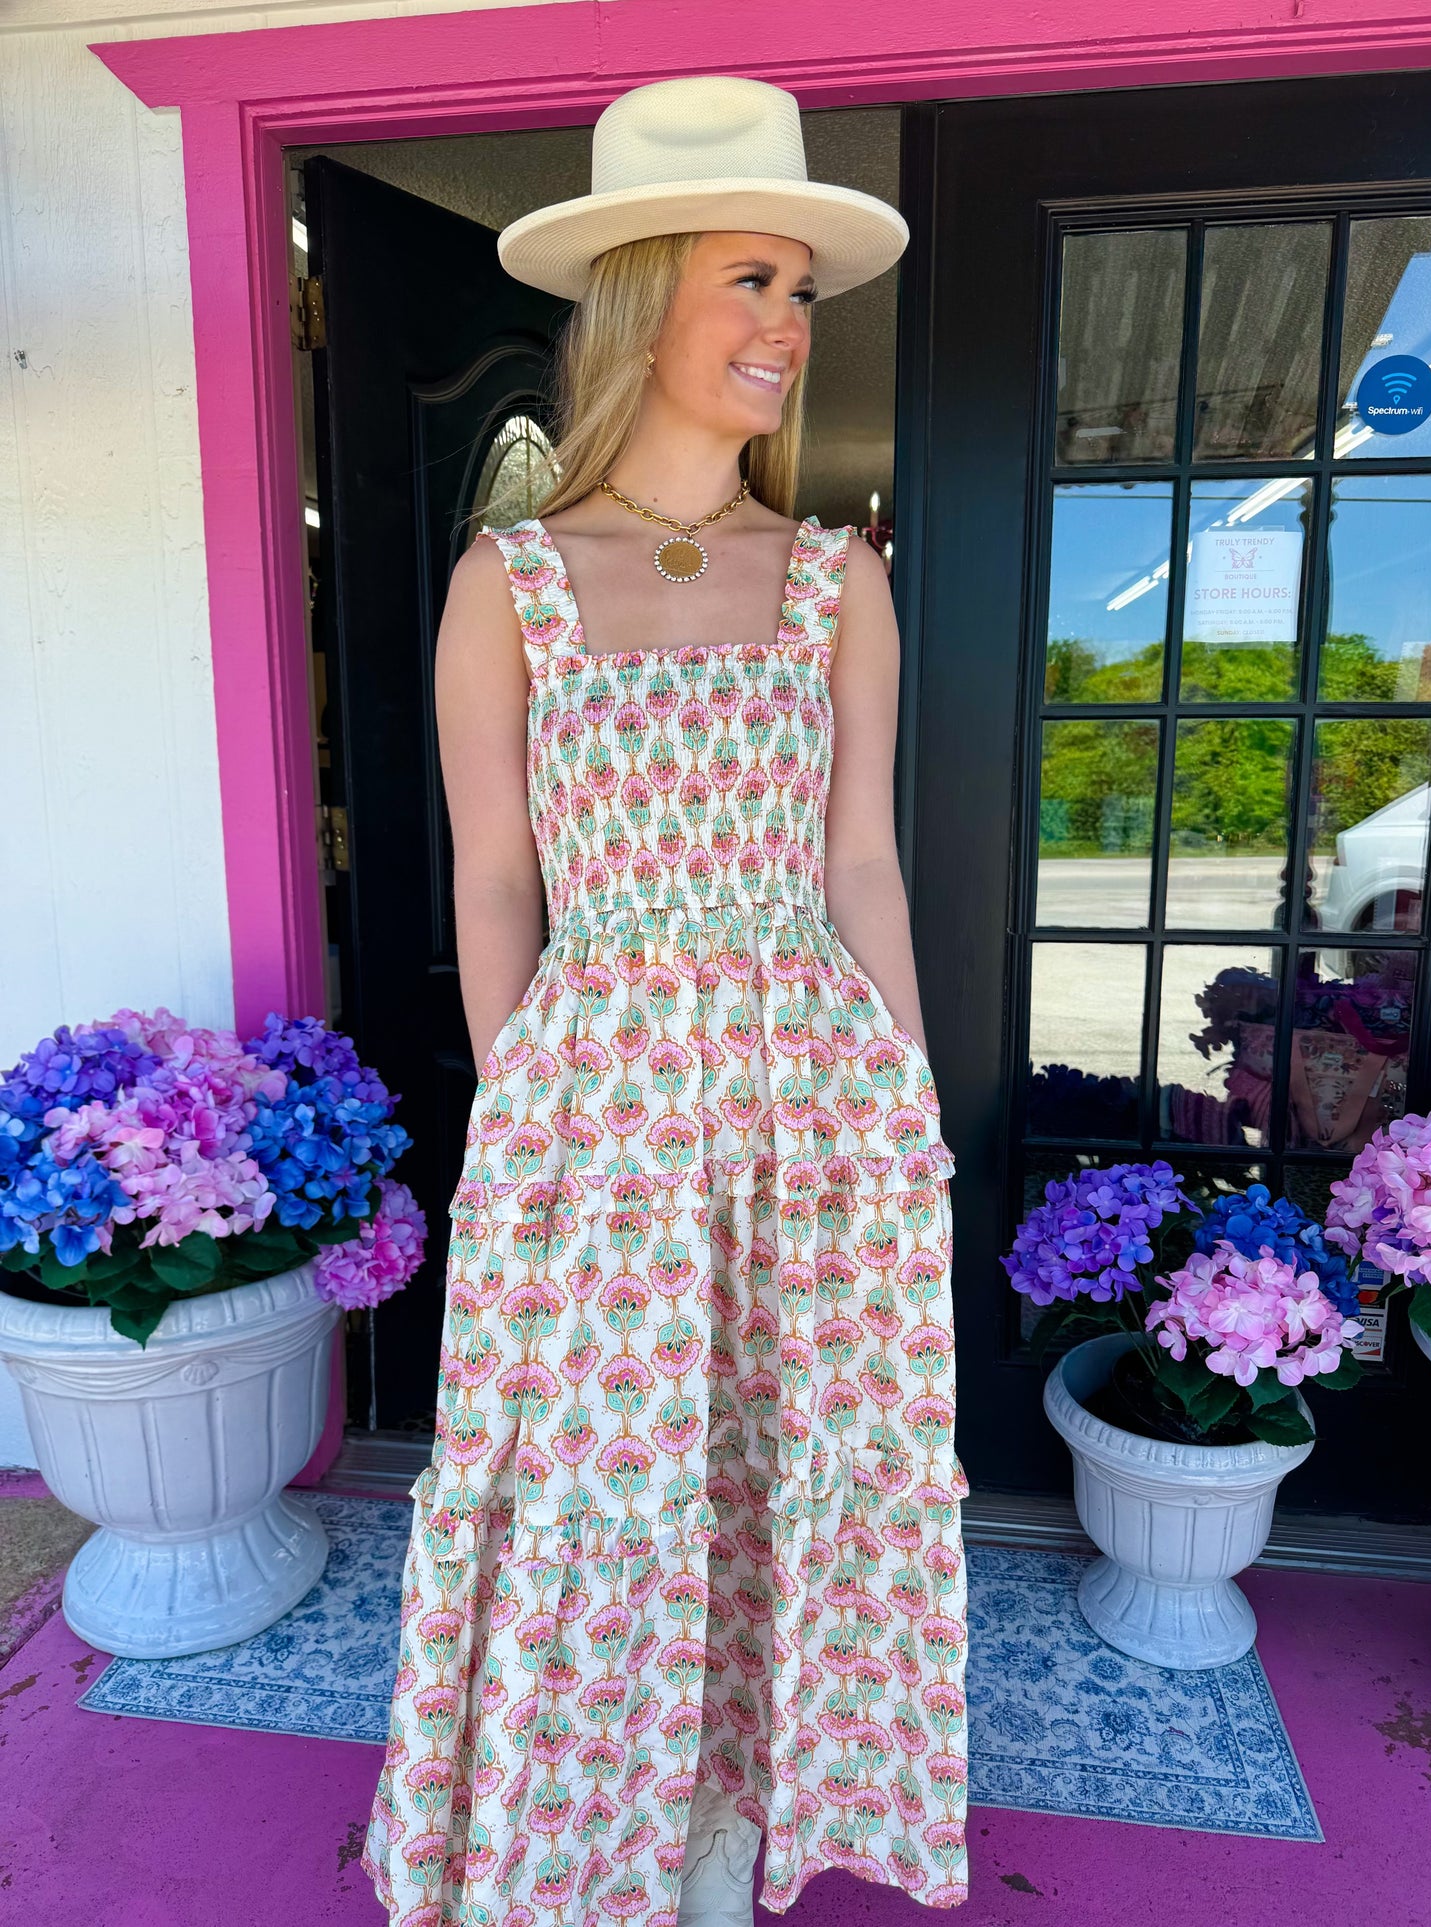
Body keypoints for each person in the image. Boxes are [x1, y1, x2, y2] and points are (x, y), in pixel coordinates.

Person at [362, 73, 971, 1927]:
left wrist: (910, 1112)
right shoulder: (515, 583)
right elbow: (492, 873)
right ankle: (582, 1840)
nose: (788, 326)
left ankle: (734, 1831)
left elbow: (858, 859)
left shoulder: (833, 581)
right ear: (641, 296)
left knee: (803, 1461)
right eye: (751, 280)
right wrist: (518, 1101)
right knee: (599, 1489)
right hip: (596, 1084)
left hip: (813, 1084)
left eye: (800, 289)